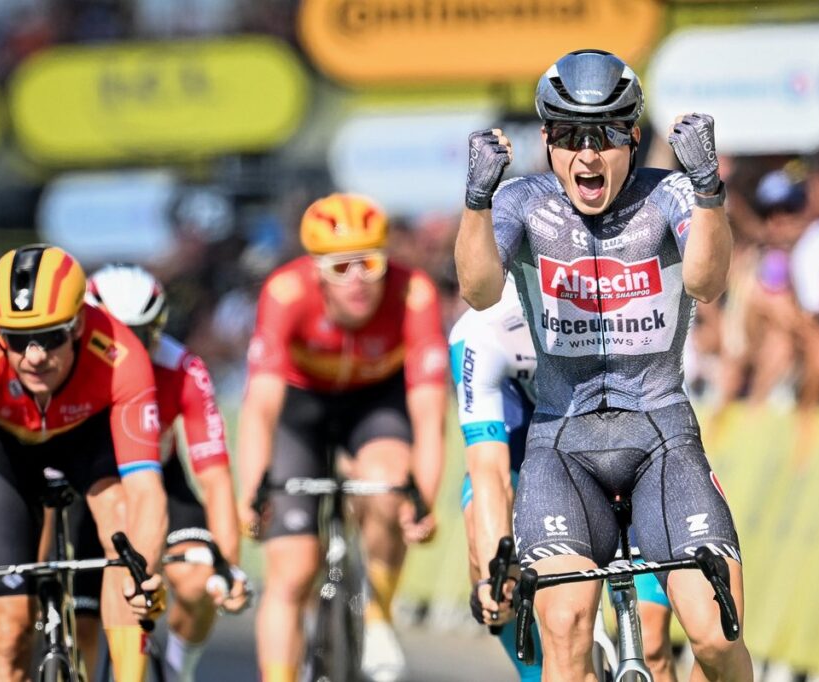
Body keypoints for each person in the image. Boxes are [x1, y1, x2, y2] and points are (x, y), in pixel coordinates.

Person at [455, 49, 752, 682]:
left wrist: (709, 192)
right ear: (546, 139)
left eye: (606, 135)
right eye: (569, 136)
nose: (588, 154)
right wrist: (477, 202)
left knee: (716, 637)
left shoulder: (670, 195)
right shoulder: (522, 202)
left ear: (634, 137)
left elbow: (707, 282)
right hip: (563, 444)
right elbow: (478, 291)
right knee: (565, 635)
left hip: (662, 436)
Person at [236, 193, 449, 682]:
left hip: (375, 404)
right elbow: (260, 408)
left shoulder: (414, 293)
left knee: (388, 485)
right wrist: (251, 492)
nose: (357, 280)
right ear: (316, 271)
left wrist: (423, 499)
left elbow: (428, 412)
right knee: (292, 571)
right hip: (302, 408)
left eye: (369, 264)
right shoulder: (285, 293)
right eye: (339, 267)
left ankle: (376, 615)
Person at [0, 244, 166, 681]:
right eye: (16, 340)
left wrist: (144, 576)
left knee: (123, 534)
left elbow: (146, 491)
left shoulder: (121, 355)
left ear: (79, 324)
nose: (33, 356)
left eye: (50, 337)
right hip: (2, 455)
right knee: (8, 634)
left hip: (87, 442)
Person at [450, 276, 678, 682]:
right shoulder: (483, 329)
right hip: (528, 451)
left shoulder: (625, 304)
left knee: (653, 639)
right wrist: (492, 574)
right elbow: (489, 471)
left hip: (621, 445)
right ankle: (535, 672)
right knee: (491, 556)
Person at [65, 263, 251, 681]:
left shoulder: (183, 368)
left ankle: (178, 670)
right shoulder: (66, 365)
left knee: (199, 579)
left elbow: (215, 477)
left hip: (159, 480)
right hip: (85, 488)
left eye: (143, 336)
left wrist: (230, 566)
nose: (130, 351)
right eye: (116, 337)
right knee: (82, 624)